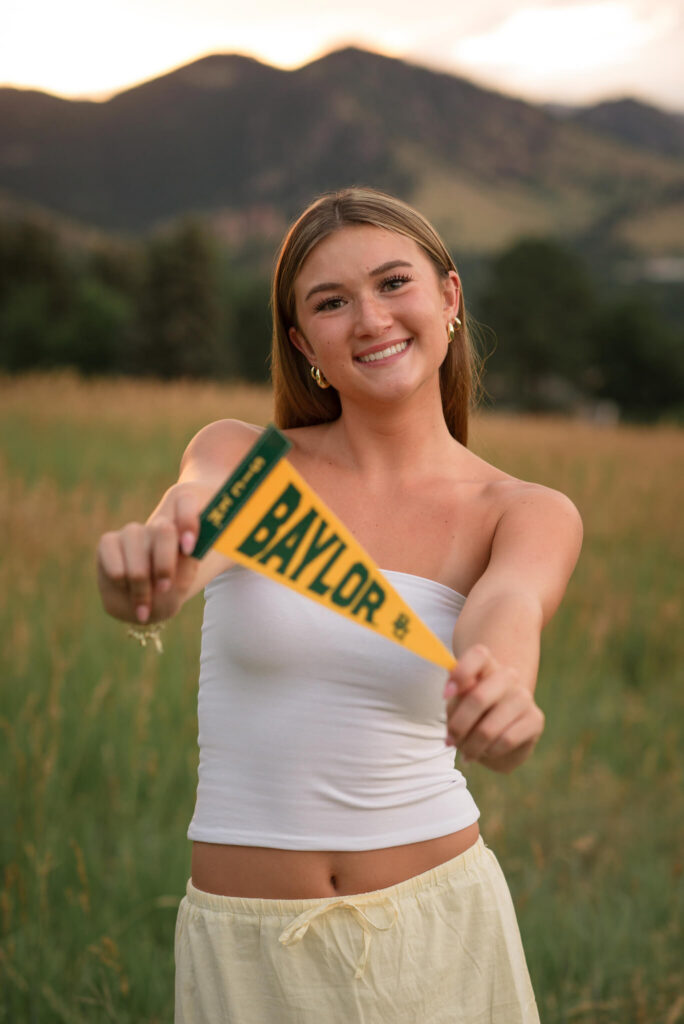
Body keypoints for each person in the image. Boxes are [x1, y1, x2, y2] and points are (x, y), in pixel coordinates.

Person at [97, 187, 582, 1023]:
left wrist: (504, 692)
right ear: (302, 341)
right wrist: (142, 572)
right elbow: (184, 539)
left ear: (449, 299)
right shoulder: (247, 461)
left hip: (441, 936)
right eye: (331, 302)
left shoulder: (524, 511)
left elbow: (504, 619)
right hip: (248, 953)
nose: (370, 319)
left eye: (395, 283)